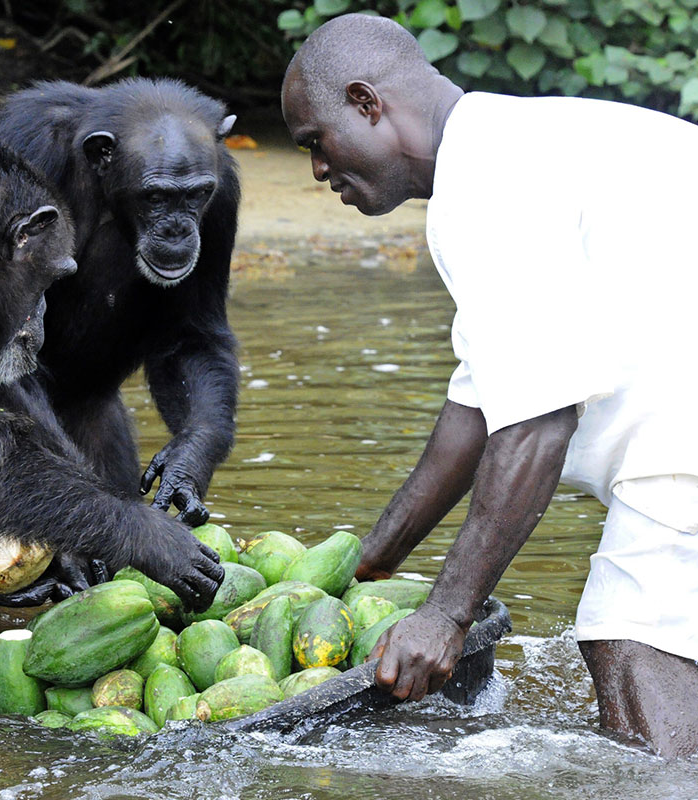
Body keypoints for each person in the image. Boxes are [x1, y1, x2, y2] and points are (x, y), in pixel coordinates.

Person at [281, 13, 698, 757]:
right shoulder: (508, 150)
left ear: (367, 102)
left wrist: (446, 614)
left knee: (632, 648)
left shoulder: (487, 182)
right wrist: (370, 561)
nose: (317, 170)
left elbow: (536, 426)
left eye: (316, 139)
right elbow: (477, 410)